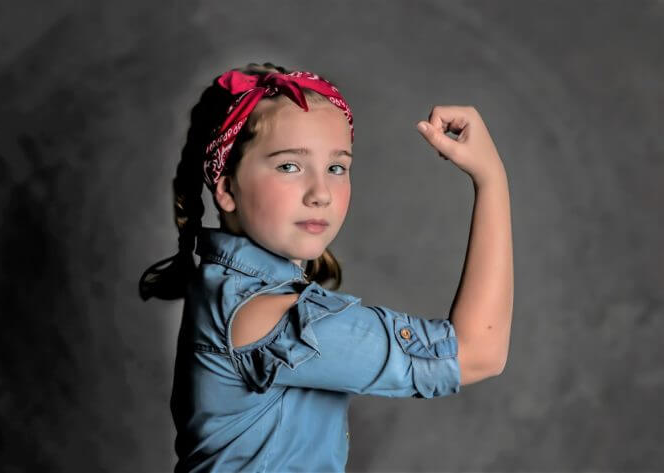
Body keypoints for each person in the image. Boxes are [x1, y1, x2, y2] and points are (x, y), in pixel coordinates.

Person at [139, 62, 514, 473]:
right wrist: (491, 178)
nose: (320, 193)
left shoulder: (222, 288)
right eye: (289, 166)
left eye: (337, 167)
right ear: (226, 187)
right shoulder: (265, 316)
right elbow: (478, 352)